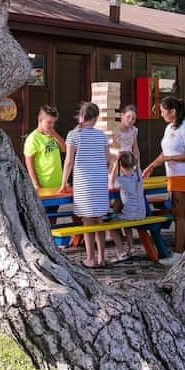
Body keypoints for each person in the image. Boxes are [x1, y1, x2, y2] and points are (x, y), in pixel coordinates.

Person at [143, 95, 185, 263]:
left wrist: (171, 159)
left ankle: (178, 253)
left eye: (163, 111)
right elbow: (165, 153)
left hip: (183, 176)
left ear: (173, 111)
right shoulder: (169, 128)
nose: (161, 114)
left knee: (179, 215)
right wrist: (152, 166)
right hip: (172, 176)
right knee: (183, 214)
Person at [60, 102, 111, 269]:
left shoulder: (73, 135)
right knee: (99, 220)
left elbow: (69, 161)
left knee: (87, 221)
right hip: (100, 181)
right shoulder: (102, 136)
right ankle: (102, 257)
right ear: (96, 118)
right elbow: (108, 160)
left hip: (84, 182)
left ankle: (90, 258)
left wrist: (63, 183)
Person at [108, 150, 146, 261]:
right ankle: (131, 247)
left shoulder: (121, 179)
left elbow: (110, 185)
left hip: (130, 215)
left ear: (120, 164)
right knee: (125, 215)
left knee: (110, 224)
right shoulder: (138, 173)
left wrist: (115, 164)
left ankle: (121, 252)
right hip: (141, 213)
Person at [24, 105, 66, 191]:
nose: (52, 125)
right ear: (40, 120)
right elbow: (29, 164)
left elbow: (65, 149)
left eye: (54, 122)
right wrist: (36, 185)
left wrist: (55, 135)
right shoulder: (33, 138)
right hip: (44, 186)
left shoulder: (53, 134)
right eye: (49, 122)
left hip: (58, 185)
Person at [110, 104, 141, 173]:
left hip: (129, 164)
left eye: (133, 118)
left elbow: (135, 149)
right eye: (128, 117)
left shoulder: (134, 130)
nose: (130, 120)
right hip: (116, 164)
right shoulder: (114, 130)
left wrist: (137, 166)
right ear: (122, 115)